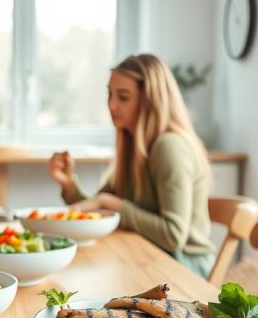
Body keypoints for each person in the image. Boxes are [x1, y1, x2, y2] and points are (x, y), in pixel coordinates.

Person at [48, 53, 215, 278]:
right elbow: (100, 212)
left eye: (123, 97)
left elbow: (173, 235)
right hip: (151, 255)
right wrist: (69, 185)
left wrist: (112, 203)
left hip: (184, 265)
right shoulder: (132, 144)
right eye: (110, 95)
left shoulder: (169, 146)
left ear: (150, 101)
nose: (112, 105)